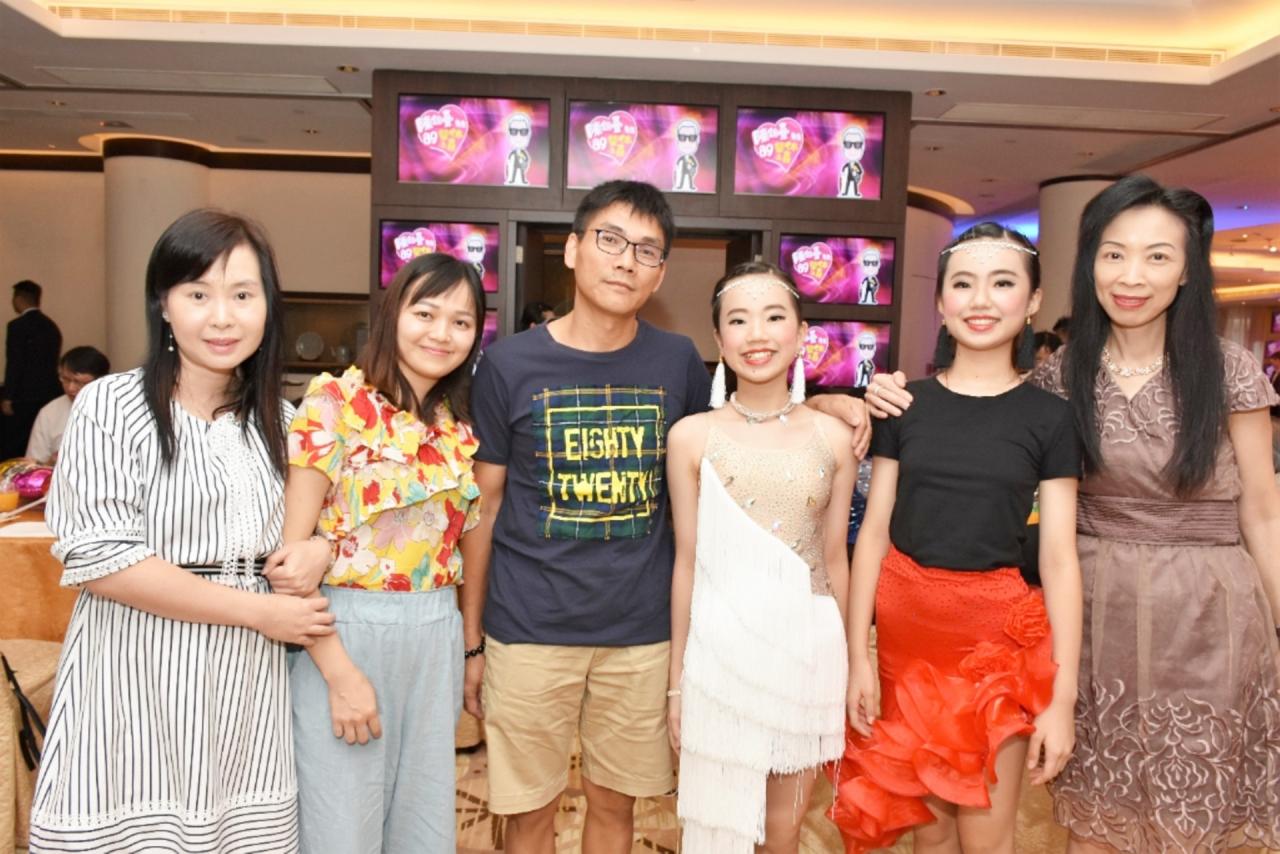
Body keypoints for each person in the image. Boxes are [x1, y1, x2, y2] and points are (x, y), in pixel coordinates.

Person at [865, 176, 1280, 852]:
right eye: (1114, 254)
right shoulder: (1060, 378)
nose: (1132, 276)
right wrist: (859, 400)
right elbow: (977, 418)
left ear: (1186, 272)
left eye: (1157, 256)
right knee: (1092, 819)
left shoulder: (1227, 370)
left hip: (1207, 613)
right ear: (1089, 264)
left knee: (1192, 813)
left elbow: (1263, 511)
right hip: (1090, 614)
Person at [464, 180, 870, 853]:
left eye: (647, 251)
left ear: (659, 273)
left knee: (615, 808)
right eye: (610, 240)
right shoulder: (508, 363)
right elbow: (485, 507)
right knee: (527, 815)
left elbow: (738, 425)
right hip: (529, 627)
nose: (626, 261)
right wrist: (472, 638)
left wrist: (827, 404)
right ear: (572, 249)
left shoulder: (676, 359)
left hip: (642, 632)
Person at [28, 209, 336, 853]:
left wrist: (319, 547)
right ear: (163, 304)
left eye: (243, 295)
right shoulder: (110, 407)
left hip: (244, 687)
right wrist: (260, 613)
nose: (222, 317)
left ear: (268, 308)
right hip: (137, 675)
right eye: (198, 295)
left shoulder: (282, 423)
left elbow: (320, 525)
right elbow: (105, 560)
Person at [833, 223, 1083, 854]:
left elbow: (1059, 558)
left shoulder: (1051, 418)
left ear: (1032, 300)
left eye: (1002, 283)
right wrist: (857, 656)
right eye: (964, 284)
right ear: (941, 301)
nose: (981, 300)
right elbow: (873, 536)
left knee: (985, 833)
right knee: (930, 833)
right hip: (906, 644)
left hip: (996, 647)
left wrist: (1062, 695)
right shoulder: (903, 405)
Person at [265, 253, 486, 852]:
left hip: (434, 634)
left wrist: (468, 647)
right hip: (343, 632)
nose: (442, 333)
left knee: (422, 825)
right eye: (426, 313)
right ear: (392, 314)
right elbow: (289, 564)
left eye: (462, 322)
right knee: (343, 828)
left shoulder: (458, 427)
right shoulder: (335, 401)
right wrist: (339, 675)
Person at [666, 262, 854, 852]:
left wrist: (850, 665)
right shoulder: (690, 437)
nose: (757, 335)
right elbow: (687, 561)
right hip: (718, 654)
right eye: (739, 321)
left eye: (774, 318)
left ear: (802, 335)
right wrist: (676, 684)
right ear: (719, 339)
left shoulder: (834, 439)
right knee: (718, 823)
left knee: (783, 830)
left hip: (807, 653)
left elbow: (835, 560)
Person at [2, 280, 62, 459]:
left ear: (18, 299)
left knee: (14, 443)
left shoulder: (17, 326)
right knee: (40, 440)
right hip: (49, 393)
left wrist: (8, 396)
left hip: (22, 396)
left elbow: (15, 363)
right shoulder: (51, 326)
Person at [25, 345, 110, 464]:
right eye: (65, 379)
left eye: (79, 382)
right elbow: (34, 464)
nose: (70, 388)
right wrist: (50, 463)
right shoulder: (49, 412)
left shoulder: (118, 408)